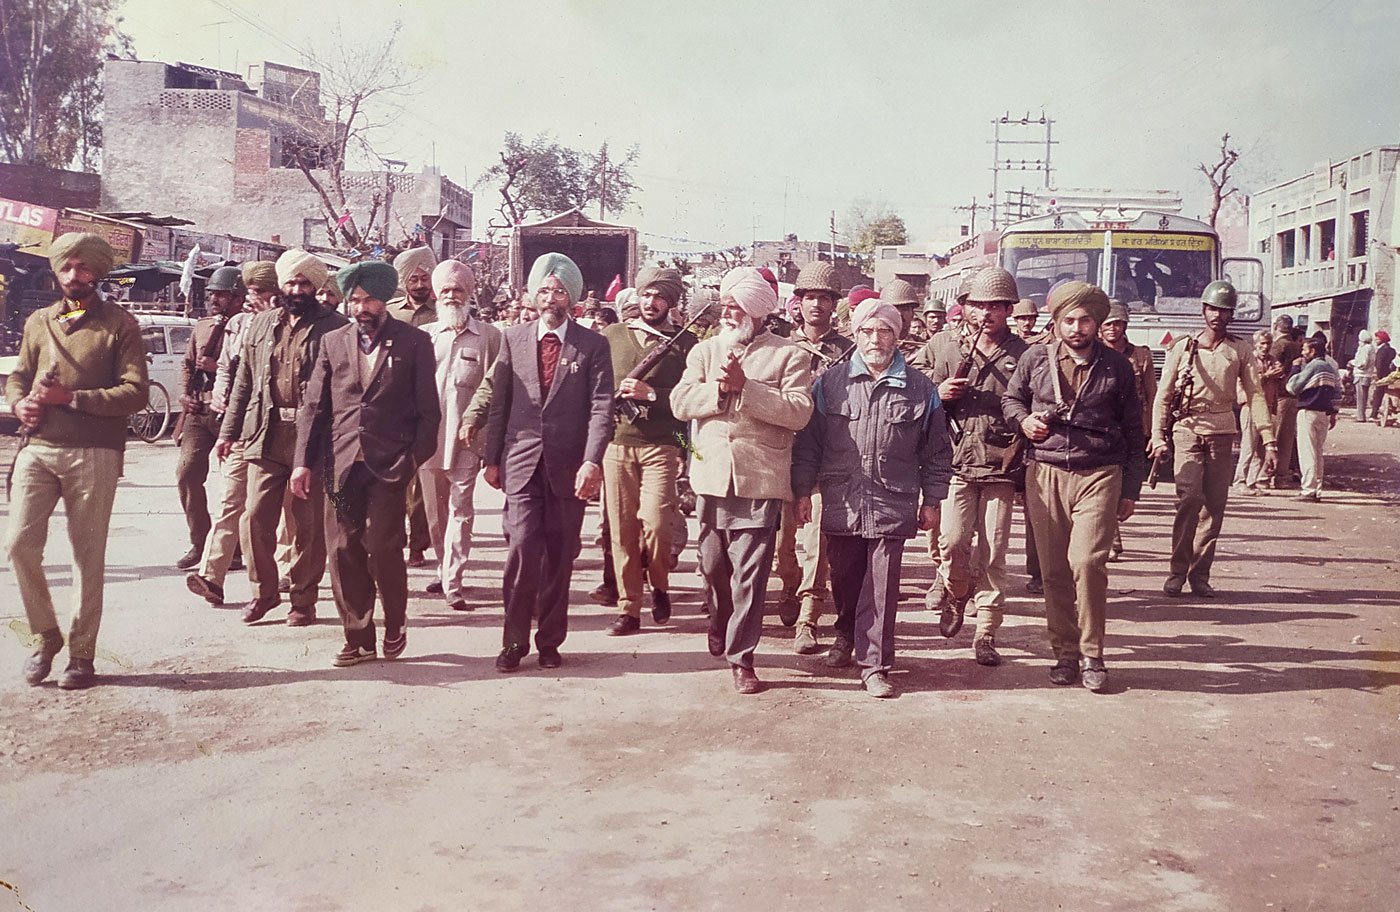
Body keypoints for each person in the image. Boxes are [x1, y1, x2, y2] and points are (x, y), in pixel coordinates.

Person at [6, 233, 149, 689]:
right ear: (56, 271)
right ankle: (46, 635)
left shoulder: (119, 325)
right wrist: (19, 405)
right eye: (66, 267)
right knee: (19, 547)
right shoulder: (39, 322)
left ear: (98, 272)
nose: (74, 276)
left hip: (94, 452)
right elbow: (19, 379)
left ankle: (82, 655)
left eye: (84, 268)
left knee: (87, 557)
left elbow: (136, 393)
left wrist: (71, 397)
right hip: (39, 449)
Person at [792, 297, 952, 697]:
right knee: (845, 578)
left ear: (898, 337)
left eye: (884, 331)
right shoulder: (830, 383)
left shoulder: (921, 389)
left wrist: (932, 500)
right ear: (856, 334)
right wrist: (802, 492)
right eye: (866, 330)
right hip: (841, 499)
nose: (875, 338)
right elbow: (809, 444)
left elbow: (936, 452)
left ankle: (876, 664)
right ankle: (845, 633)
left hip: (892, 499)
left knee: (881, 585)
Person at [672, 267, 813, 694]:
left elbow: (799, 411)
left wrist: (747, 388)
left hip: (761, 479)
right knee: (714, 567)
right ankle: (719, 617)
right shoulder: (703, 351)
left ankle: (741, 658)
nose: (728, 314)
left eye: (736, 307)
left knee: (749, 574)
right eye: (726, 306)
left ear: (758, 313)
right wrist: (718, 393)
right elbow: (680, 403)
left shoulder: (790, 355)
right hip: (712, 477)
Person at [293, 260, 440, 666]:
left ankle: (395, 623)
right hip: (340, 464)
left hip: (390, 464)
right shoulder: (333, 342)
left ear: (385, 301)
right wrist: (302, 462)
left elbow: (430, 414)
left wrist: (412, 459)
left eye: (370, 300)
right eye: (355, 300)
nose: (362, 308)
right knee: (342, 549)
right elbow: (314, 408)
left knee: (382, 545)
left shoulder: (413, 342)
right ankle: (358, 637)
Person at [1002, 281, 1146, 692]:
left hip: (1100, 473)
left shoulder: (1116, 366)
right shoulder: (1034, 359)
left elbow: (1133, 430)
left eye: (1085, 320)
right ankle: (1065, 655)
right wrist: (1023, 421)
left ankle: (1093, 654)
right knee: (1053, 571)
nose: (1077, 328)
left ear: (1097, 324)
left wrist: (1131, 489)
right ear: (1057, 322)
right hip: (1045, 472)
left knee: (1086, 562)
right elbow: (1013, 400)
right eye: (1069, 320)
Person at [483, 252, 615, 672]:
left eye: (558, 291)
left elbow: (601, 407)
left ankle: (550, 642)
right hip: (520, 463)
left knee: (560, 554)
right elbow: (498, 401)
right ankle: (512, 642)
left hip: (568, 469)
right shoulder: (512, 338)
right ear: (533, 295)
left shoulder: (592, 345)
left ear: (571, 298)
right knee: (522, 548)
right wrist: (492, 458)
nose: (550, 298)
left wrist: (591, 462)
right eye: (543, 289)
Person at [217, 250, 348, 625]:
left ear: (316, 286)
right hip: (265, 433)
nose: (296, 289)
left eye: (304, 283)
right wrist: (229, 432)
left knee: (307, 524)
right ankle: (264, 593)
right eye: (291, 282)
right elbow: (243, 381)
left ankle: (303, 600)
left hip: (315, 440)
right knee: (255, 516)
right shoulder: (259, 325)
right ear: (281, 284)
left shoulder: (336, 327)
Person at [910, 266, 1029, 666]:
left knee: (994, 552)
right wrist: (936, 393)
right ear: (965, 307)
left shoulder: (1024, 353)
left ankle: (986, 632)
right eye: (979, 305)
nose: (987, 313)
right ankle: (955, 591)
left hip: (1000, 463)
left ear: (1009, 309)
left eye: (997, 305)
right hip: (955, 461)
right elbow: (908, 388)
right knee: (953, 541)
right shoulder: (943, 346)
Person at [1150, 281, 1274, 598]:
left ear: (1231, 314)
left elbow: (1256, 395)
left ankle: (1199, 575)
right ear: (1203, 310)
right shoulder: (1183, 347)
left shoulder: (1240, 350)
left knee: (1214, 507)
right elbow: (1163, 397)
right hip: (1187, 428)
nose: (1217, 315)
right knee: (1189, 499)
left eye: (1223, 310)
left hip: (1222, 430)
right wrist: (1157, 435)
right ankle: (1177, 571)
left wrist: (1268, 438)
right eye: (1212, 308)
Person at [600, 266, 696, 635]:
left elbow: (691, 399)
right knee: (622, 531)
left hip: (662, 446)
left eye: (659, 296)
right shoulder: (612, 336)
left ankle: (659, 584)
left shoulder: (686, 345)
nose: (650, 302)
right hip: (616, 445)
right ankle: (629, 608)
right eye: (645, 294)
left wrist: (652, 395)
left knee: (656, 524)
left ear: (670, 302)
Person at [772, 260, 853, 655]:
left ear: (834, 305)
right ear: (797, 304)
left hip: (826, 455)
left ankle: (808, 614)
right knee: (783, 541)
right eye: (809, 298)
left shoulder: (850, 351)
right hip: (783, 451)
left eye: (824, 298)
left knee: (815, 538)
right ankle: (789, 583)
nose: (817, 306)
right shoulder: (779, 347)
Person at [186, 261, 277, 606]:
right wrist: (222, 400)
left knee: (277, 512)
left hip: (276, 430)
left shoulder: (288, 326)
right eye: (249, 292)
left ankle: (285, 576)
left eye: (260, 292)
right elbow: (226, 367)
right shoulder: (237, 325)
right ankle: (212, 577)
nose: (252, 298)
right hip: (240, 427)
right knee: (231, 502)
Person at [418, 260, 501, 612]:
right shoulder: (425, 336)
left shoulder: (490, 337)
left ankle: (454, 581)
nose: (452, 296)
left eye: (459, 291)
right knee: (435, 513)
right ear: (438, 295)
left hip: (468, 437)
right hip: (428, 437)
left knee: (461, 509)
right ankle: (443, 566)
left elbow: (496, 390)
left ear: (470, 295)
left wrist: (491, 443)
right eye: (446, 291)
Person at [173, 266, 241, 570]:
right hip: (199, 412)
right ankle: (199, 542)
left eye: (221, 294)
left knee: (236, 486)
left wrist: (217, 369)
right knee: (186, 474)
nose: (214, 298)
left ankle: (234, 548)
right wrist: (184, 394)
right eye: (212, 293)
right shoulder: (202, 327)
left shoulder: (247, 327)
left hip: (231, 412)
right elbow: (187, 364)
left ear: (237, 297)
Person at [1098, 301, 1156, 557]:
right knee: (1105, 485)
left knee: (1123, 486)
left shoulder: (1141, 355)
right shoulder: (1094, 352)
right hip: (1104, 426)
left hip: (1131, 427)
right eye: (1108, 324)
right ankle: (1111, 540)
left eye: (1117, 323)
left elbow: (1152, 394)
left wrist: (1154, 431)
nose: (1113, 329)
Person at [1287, 335, 1341, 502]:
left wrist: (1295, 369)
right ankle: (1317, 488)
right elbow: (1337, 392)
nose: (1303, 353)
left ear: (1313, 350)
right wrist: (1333, 412)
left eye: (1304, 350)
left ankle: (1308, 489)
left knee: (1307, 451)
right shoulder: (1330, 367)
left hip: (1308, 412)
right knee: (1318, 452)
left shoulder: (1313, 366)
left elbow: (1292, 387)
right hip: (1323, 414)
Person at [1233, 330, 1283, 494]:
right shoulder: (1250, 360)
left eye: (1268, 343)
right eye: (1262, 343)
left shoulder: (1271, 361)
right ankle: (1240, 480)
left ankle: (1253, 482)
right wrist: (1267, 375)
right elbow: (1247, 384)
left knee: (1260, 449)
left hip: (1267, 407)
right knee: (1248, 446)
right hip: (1251, 407)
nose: (1265, 347)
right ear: (1255, 344)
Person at [1269, 314, 1303, 489]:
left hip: (1280, 394)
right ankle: (1281, 477)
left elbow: (1273, 368)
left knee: (1275, 436)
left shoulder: (1278, 345)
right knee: (1287, 438)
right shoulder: (1296, 346)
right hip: (1292, 396)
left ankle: (1271, 475)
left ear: (1276, 326)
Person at [1352, 330, 1377, 422]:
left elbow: (1362, 363)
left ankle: (1360, 416)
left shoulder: (1365, 348)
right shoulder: (1371, 348)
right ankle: (1361, 415)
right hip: (1367, 375)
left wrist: (1353, 363)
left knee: (1361, 397)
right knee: (1363, 396)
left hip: (1361, 374)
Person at [1373, 331, 1396, 421]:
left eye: (1377, 338)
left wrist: (1378, 376)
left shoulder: (1382, 350)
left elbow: (1379, 364)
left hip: (1382, 376)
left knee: (1377, 395)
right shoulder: (1392, 350)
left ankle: (1373, 414)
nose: (1376, 340)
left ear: (1382, 340)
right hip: (1389, 375)